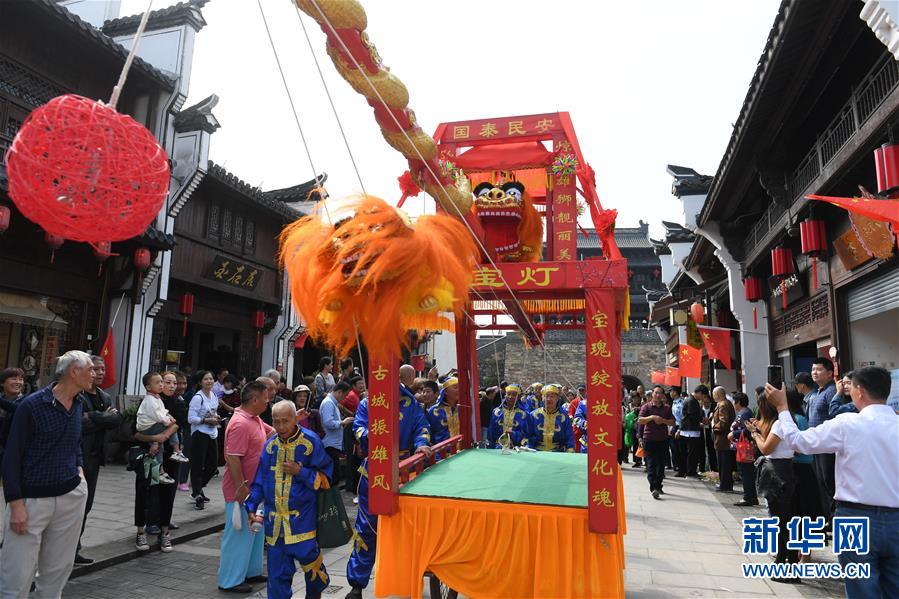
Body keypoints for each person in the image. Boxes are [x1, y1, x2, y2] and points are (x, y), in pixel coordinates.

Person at [766, 367, 898, 598]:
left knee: (861, 589)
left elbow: (799, 442)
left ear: (859, 391)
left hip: (855, 516)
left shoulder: (846, 424)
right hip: (895, 519)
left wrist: (782, 408)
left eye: (850, 387)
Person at [0, 351, 92, 598]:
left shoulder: (79, 402)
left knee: (58, 571)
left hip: (70, 493)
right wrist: (15, 503)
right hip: (31, 500)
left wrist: (79, 469)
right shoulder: (32, 405)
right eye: (90, 370)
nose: (95, 374)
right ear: (74, 371)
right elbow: (12, 456)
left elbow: (75, 441)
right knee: (16, 574)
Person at [345, 365, 432, 599]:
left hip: (404, 473)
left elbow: (422, 427)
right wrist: (372, 437)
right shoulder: (368, 402)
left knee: (407, 528)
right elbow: (358, 427)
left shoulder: (410, 403)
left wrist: (422, 444)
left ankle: (404, 579)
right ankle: (357, 584)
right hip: (374, 471)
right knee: (367, 527)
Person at [246, 400, 333, 599]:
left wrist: (300, 471)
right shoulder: (270, 447)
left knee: (314, 572)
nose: (281, 426)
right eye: (276, 421)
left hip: (303, 522)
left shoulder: (310, 442)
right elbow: (259, 482)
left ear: (295, 419)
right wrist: (250, 507)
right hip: (275, 525)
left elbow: (326, 479)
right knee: (277, 576)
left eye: (285, 421)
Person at [217, 381, 273, 593]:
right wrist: (241, 487)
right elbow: (232, 458)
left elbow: (273, 433)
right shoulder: (240, 423)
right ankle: (230, 580)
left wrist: (293, 418)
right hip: (242, 490)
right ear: (255, 399)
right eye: (266, 398)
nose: (268, 402)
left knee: (255, 532)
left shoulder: (254, 419)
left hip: (255, 489)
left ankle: (251, 571)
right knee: (239, 534)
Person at [744, 388, 799, 581]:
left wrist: (755, 434)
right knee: (782, 521)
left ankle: (788, 566)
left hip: (778, 472)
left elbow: (766, 448)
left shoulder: (779, 424)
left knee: (782, 522)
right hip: (782, 469)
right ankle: (784, 562)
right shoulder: (783, 421)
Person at [74, 355, 122, 565]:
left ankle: (74, 548)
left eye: (103, 369)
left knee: (86, 505)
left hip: (95, 457)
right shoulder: (77, 394)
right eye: (95, 369)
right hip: (77, 456)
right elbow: (78, 424)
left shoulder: (105, 396)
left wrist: (93, 416)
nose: (100, 373)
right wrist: (102, 417)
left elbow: (116, 420)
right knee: (72, 506)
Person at [786, 387, 824, 563]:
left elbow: (800, 448)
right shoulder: (798, 418)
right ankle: (800, 553)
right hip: (801, 470)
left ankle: (803, 554)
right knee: (802, 514)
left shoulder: (795, 420)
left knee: (801, 514)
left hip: (799, 470)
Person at [136, 373, 188, 486]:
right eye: (167, 382)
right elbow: (135, 431)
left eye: (175, 383)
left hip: (169, 455)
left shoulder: (179, 403)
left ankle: (175, 453)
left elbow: (177, 424)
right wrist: (155, 439)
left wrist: (159, 440)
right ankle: (162, 469)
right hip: (149, 450)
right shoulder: (149, 400)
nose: (172, 386)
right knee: (148, 489)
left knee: (168, 492)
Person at [806, 357, 838, 522]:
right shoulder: (818, 392)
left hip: (827, 445)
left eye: (819, 369)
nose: (814, 373)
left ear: (830, 373)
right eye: (813, 369)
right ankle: (828, 518)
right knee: (821, 482)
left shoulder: (831, 391)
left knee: (828, 481)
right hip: (817, 444)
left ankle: (835, 518)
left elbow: (836, 415)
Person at [188, 370, 222, 510]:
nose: (209, 381)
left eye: (211, 379)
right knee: (198, 464)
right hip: (199, 434)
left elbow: (214, 411)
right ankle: (197, 494)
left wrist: (216, 417)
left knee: (213, 465)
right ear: (200, 382)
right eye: (206, 379)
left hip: (212, 433)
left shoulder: (214, 395)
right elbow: (191, 418)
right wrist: (205, 420)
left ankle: (198, 487)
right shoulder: (198, 398)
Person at [0, 367, 24, 545]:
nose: (18, 382)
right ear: (3, 383)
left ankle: (8, 538)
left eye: (20, 379)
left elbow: (18, 410)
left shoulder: (26, 402)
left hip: (13, 456)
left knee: (12, 497)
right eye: (13, 379)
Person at [637, 385, 675, 499]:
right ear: (652, 394)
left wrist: (663, 420)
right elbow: (640, 420)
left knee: (661, 464)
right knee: (651, 463)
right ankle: (654, 487)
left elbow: (672, 422)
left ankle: (658, 485)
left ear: (663, 395)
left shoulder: (667, 408)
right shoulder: (646, 407)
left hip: (663, 439)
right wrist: (652, 417)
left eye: (660, 393)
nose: (658, 395)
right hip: (649, 439)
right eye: (656, 393)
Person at [320, 381, 352, 491]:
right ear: (339, 392)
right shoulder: (328, 403)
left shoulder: (332, 403)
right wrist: (342, 422)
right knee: (334, 475)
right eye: (345, 395)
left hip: (333, 443)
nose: (345, 398)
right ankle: (330, 498)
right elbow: (328, 422)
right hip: (329, 443)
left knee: (335, 474)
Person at [729, 392, 758, 507]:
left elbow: (747, 430)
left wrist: (734, 434)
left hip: (744, 447)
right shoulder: (744, 412)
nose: (733, 403)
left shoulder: (745, 413)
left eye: (734, 401)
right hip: (741, 446)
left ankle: (748, 497)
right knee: (746, 472)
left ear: (738, 402)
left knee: (746, 473)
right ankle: (752, 497)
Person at [527, 384, 574, 452]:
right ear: (542, 398)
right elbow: (528, 436)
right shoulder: (533, 415)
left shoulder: (564, 416)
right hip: (536, 452)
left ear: (557, 399)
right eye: (546, 396)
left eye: (552, 396)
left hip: (558, 452)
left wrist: (570, 449)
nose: (549, 399)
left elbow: (569, 437)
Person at [487, 383, 531, 449]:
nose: (510, 397)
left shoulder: (524, 414)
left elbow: (526, 434)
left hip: (516, 449)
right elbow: (491, 433)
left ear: (518, 397)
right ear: (505, 395)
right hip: (497, 448)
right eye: (508, 394)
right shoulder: (496, 412)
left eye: (514, 395)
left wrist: (513, 434)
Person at [711, 386, 736, 492]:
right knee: (723, 463)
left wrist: (714, 427)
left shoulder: (723, 405)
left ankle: (725, 485)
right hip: (723, 439)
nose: (713, 396)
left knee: (724, 463)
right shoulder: (724, 403)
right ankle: (725, 484)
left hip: (723, 439)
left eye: (714, 394)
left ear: (717, 394)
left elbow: (723, 422)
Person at [677, 385, 704, 478]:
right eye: (703, 396)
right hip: (690, 430)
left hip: (687, 429)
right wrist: (702, 419)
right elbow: (692, 415)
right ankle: (690, 472)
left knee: (686, 453)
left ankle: (684, 471)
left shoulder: (689, 399)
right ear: (699, 393)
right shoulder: (692, 401)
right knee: (692, 453)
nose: (702, 398)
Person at [427, 377, 461, 445]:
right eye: (455, 387)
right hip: (442, 450)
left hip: (463, 449)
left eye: (460, 388)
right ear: (445, 392)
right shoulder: (434, 411)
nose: (459, 390)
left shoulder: (463, 408)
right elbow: (429, 434)